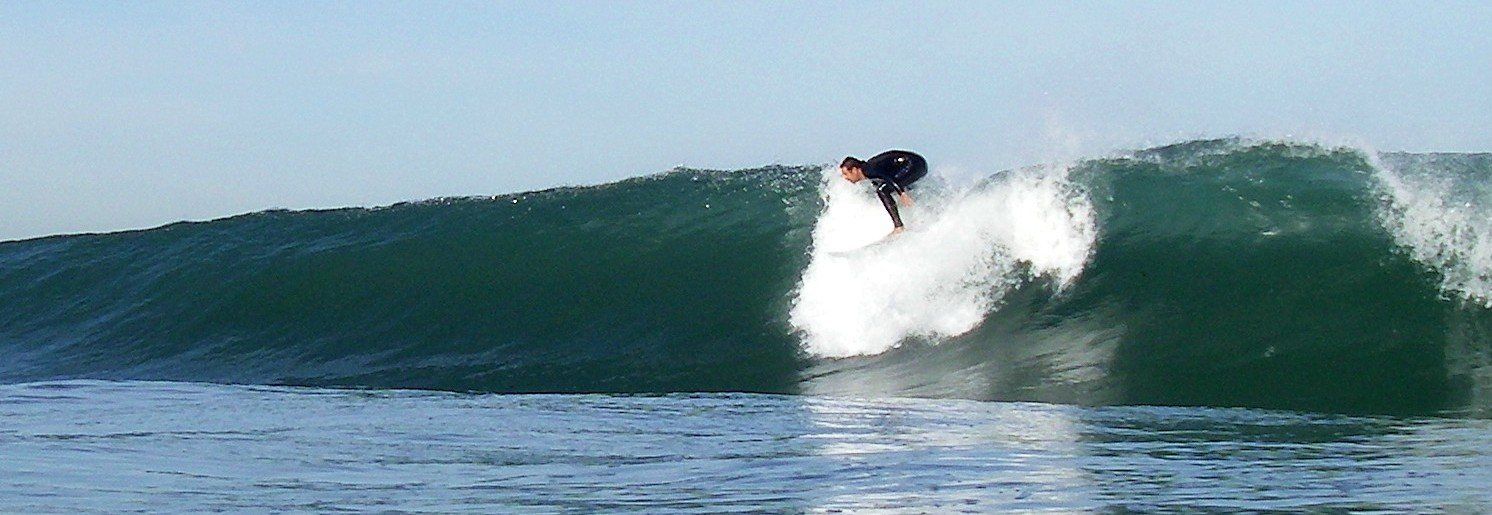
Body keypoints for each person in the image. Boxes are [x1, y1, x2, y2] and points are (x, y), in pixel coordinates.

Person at [839, 150, 928, 233]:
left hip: (914, 164)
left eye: (846, 174)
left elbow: (887, 177)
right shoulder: (869, 169)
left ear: (854, 170)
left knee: (882, 190)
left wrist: (902, 193)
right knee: (888, 188)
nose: (845, 178)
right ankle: (925, 213)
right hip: (918, 163)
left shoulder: (868, 170)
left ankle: (899, 227)